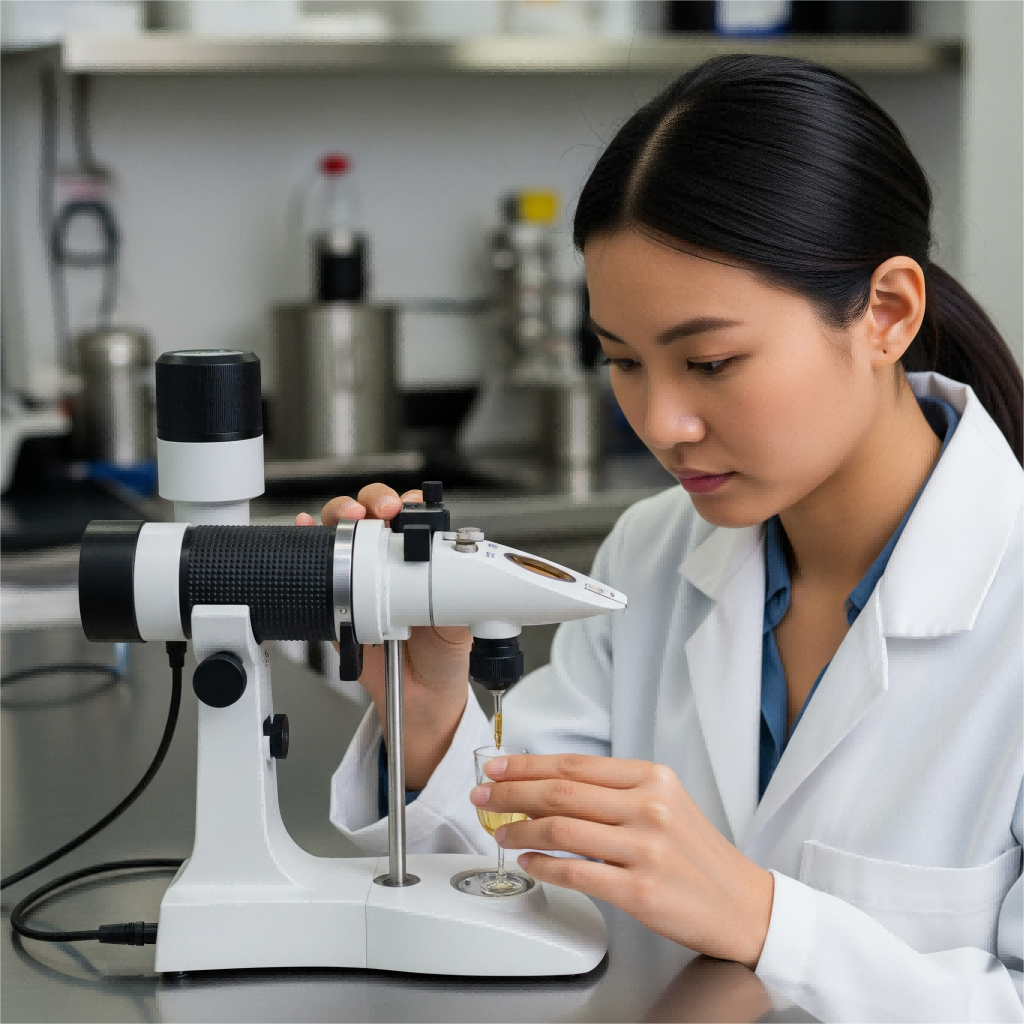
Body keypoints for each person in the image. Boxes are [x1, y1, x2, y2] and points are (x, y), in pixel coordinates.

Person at [298, 55, 1024, 1022]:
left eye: (711, 361)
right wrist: (426, 709)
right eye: (623, 361)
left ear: (886, 313)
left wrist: (766, 921)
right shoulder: (653, 553)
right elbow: (516, 872)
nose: (662, 421)